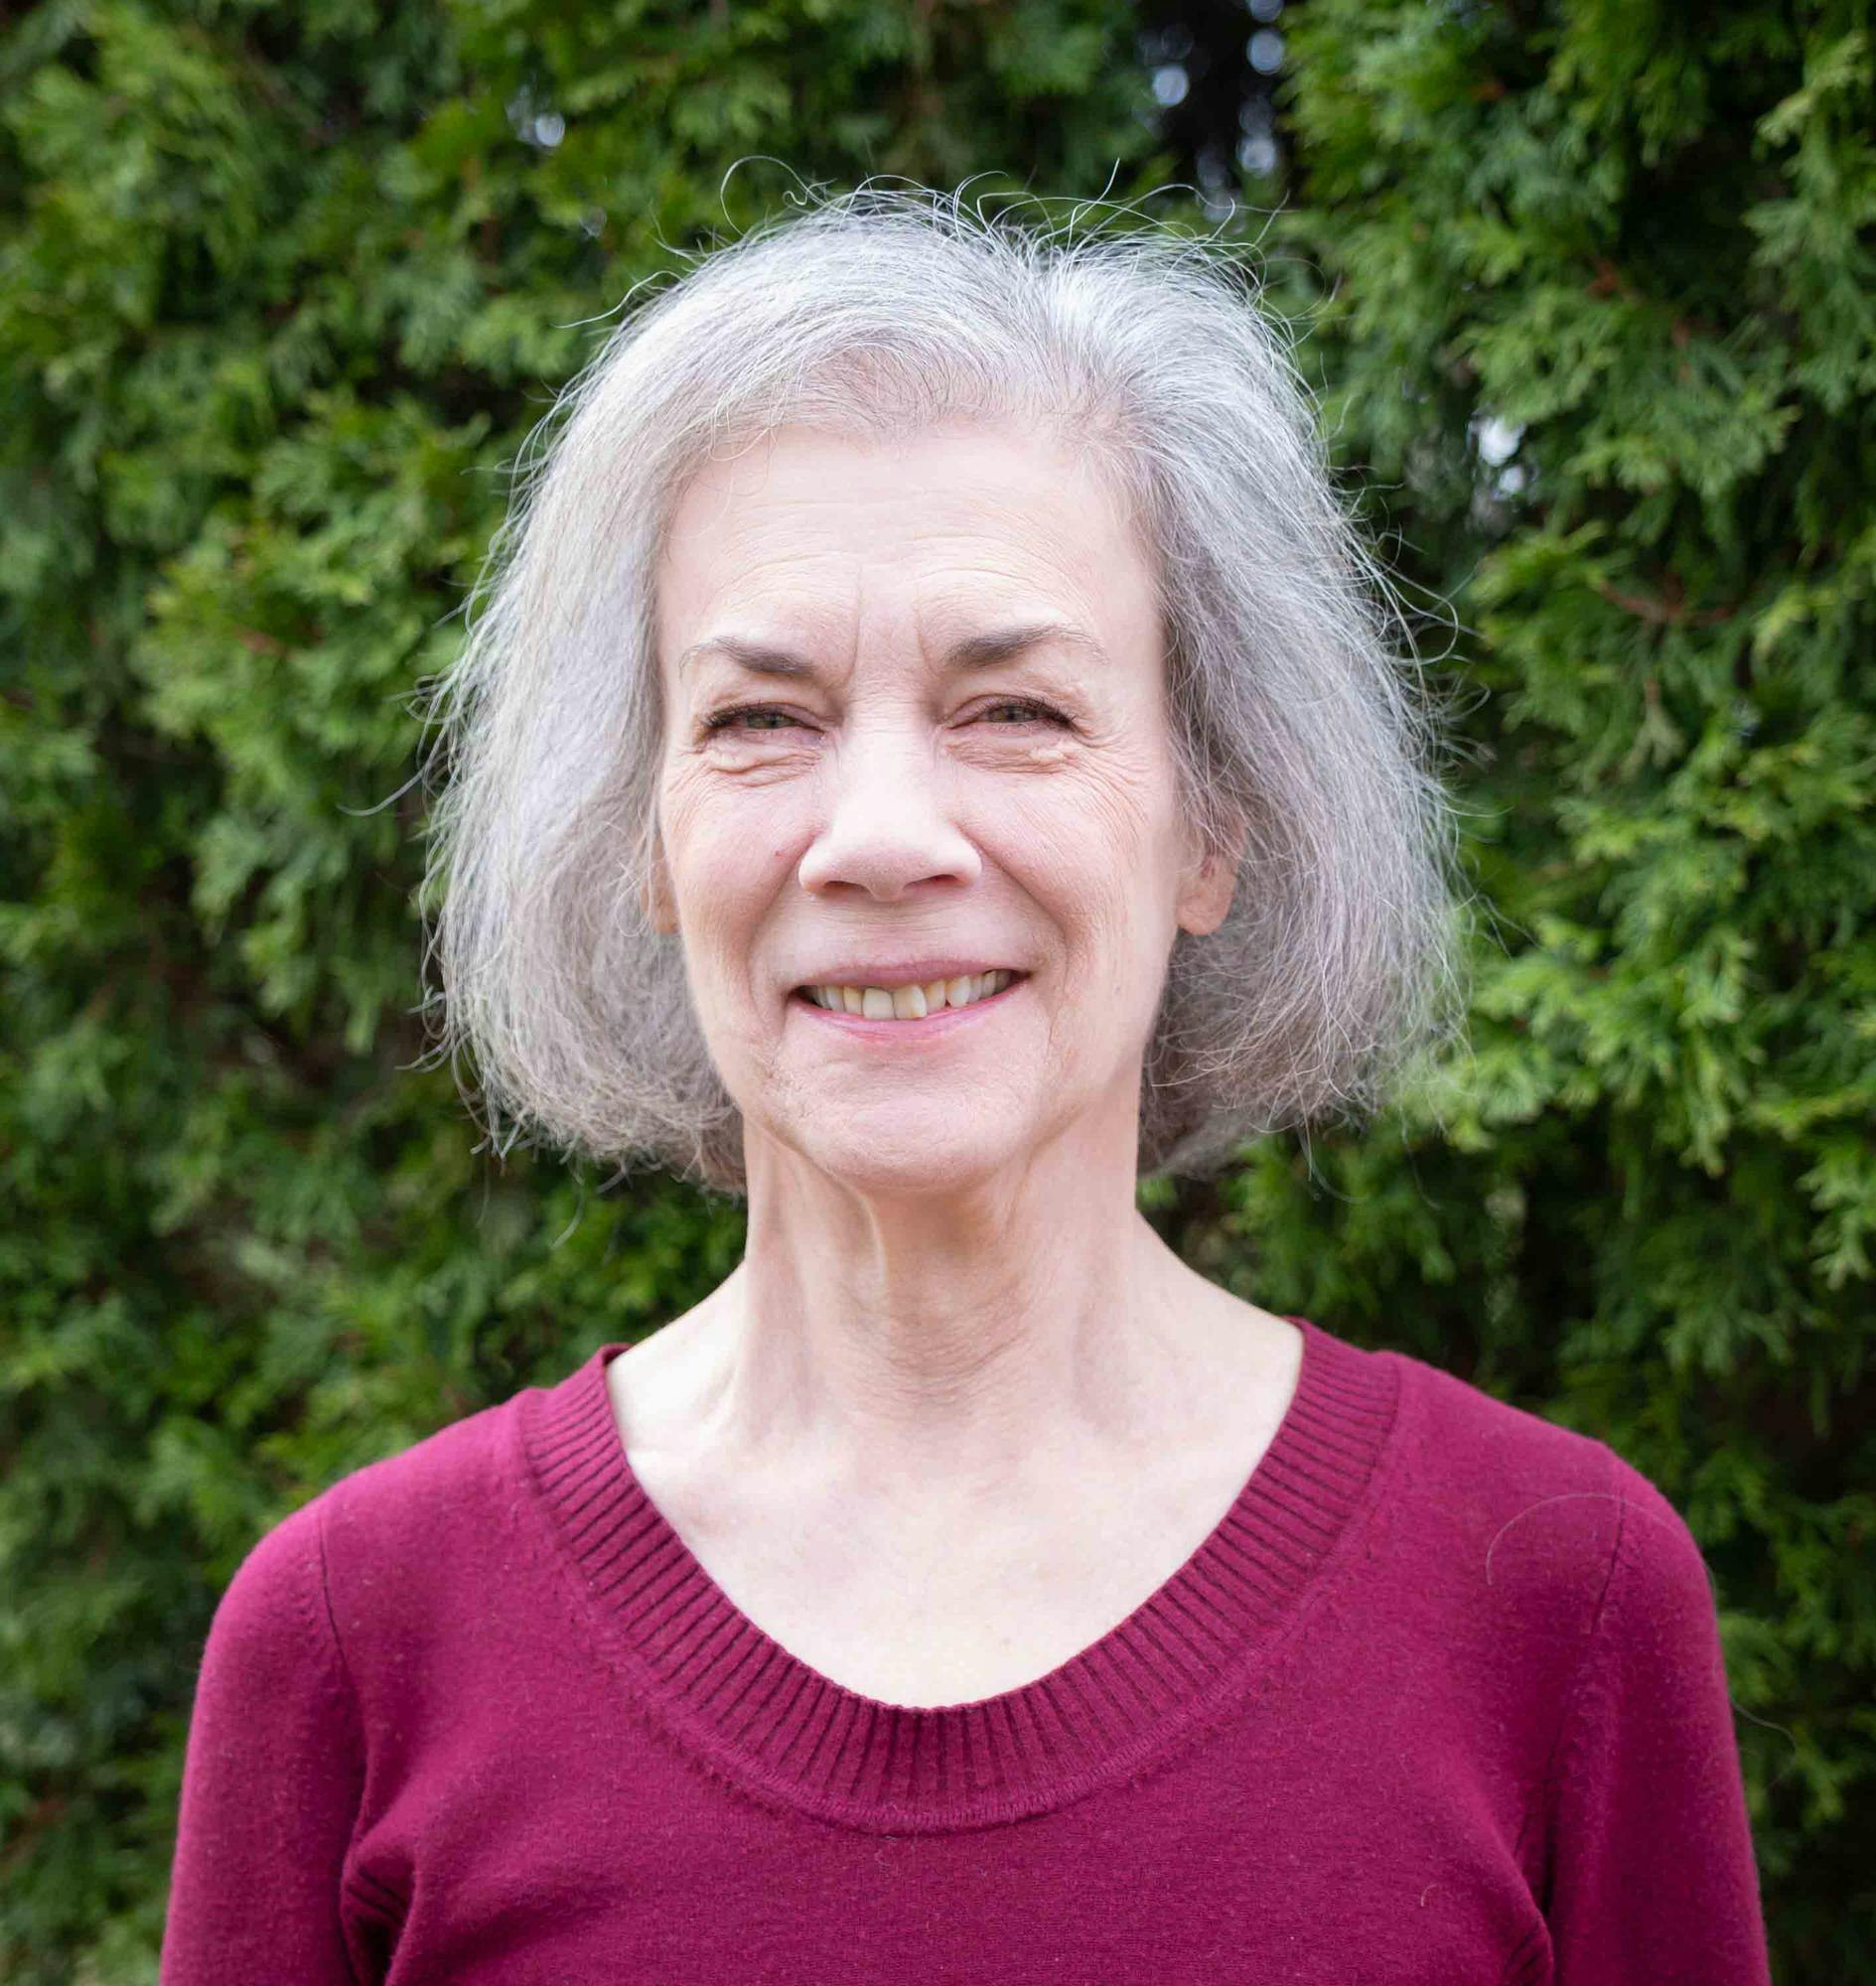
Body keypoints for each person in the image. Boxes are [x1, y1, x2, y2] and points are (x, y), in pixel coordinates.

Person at [159, 185, 1772, 1984]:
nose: (880, 837)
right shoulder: (357, 1640)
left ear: (1211, 823)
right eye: (759, 719)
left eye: (1016, 710)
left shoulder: (1548, 1598)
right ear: (643, 837)